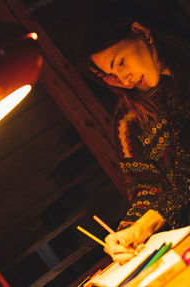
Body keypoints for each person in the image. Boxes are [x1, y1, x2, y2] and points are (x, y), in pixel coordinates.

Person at [82, 1, 190, 264]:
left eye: (120, 62)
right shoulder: (130, 119)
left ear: (142, 32)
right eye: (109, 74)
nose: (124, 79)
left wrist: (147, 224)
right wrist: (131, 230)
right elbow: (146, 188)